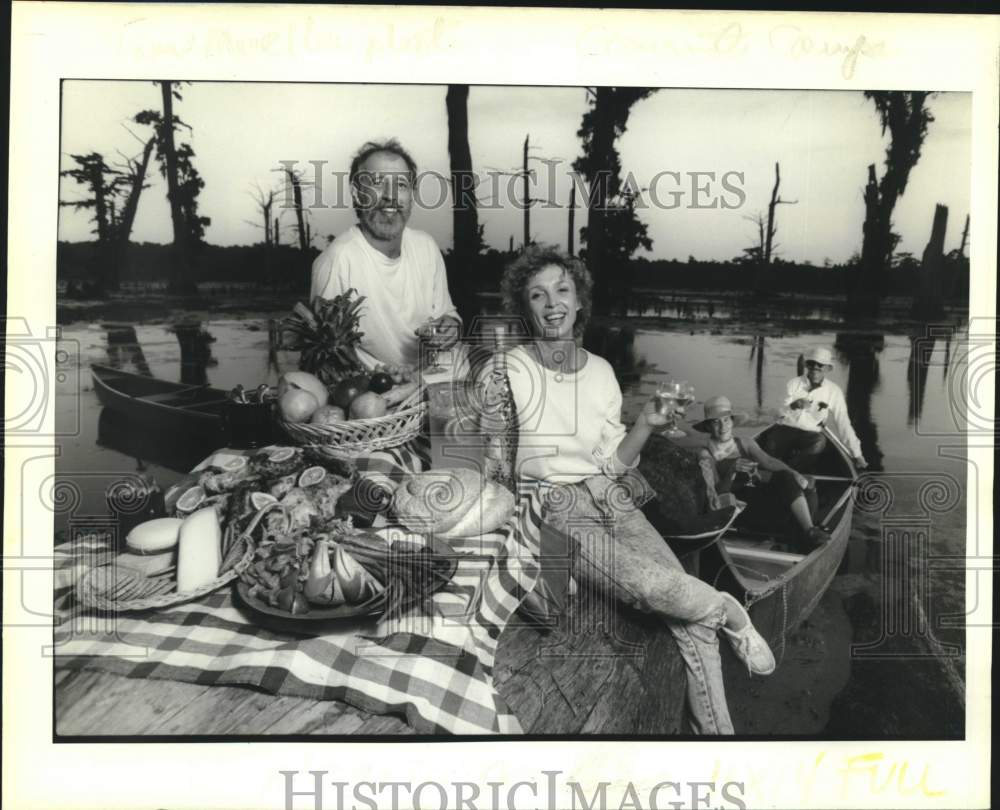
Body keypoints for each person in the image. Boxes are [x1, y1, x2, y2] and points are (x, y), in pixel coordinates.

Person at [497, 245, 775, 735]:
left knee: (686, 619)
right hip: (558, 507)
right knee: (651, 588)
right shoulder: (513, 369)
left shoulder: (603, 371)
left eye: (562, 290)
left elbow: (612, 460)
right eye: (537, 295)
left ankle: (719, 741)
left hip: (612, 495)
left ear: (580, 301)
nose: (551, 303)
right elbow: (499, 440)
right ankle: (728, 608)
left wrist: (644, 423)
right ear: (525, 308)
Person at [310, 139, 462, 370]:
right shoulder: (337, 261)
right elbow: (324, 356)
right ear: (356, 192)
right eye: (377, 183)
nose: (390, 196)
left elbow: (446, 313)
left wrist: (450, 325)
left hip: (430, 377)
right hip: (371, 391)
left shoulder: (426, 247)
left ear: (412, 194)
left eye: (401, 184)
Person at [694, 395, 831, 549]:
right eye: (715, 422)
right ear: (708, 427)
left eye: (726, 420)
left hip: (759, 498)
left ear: (732, 422)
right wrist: (732, 471)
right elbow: (715, 497)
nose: (722, 426)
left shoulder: (744, 442)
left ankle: (809, 531)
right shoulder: (705, 455)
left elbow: (769, 462)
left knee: (804, 483)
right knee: (794, 489)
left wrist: (795, 474)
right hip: (739, 509)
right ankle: (803, 537)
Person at [766, 347, 868, 472]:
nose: (815, 367)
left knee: (819, 443)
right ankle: (782, 471)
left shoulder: (834, 391)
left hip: (811, 435)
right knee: (771, 443)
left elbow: (843, 423)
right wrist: (793, 406)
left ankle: (790, 473)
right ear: (806, 365)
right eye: (811, 363)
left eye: (820, 364)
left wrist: (857, 454)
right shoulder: (792, 383)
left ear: (828, 368)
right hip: (785, 429)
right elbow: (776, 413)